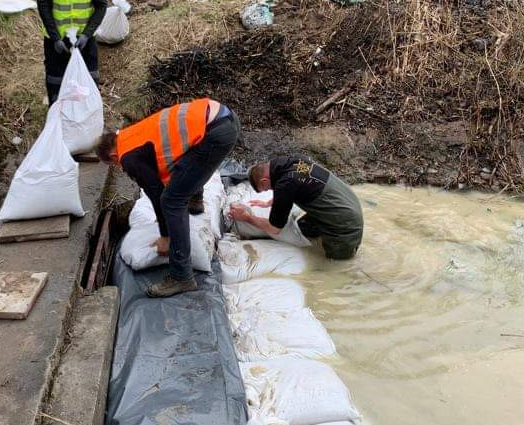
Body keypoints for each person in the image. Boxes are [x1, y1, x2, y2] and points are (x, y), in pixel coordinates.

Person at [97, 99, 239, 297]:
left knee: (172, 200)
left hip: (214, 133)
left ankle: (181, 276)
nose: (119, 167)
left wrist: (166, 236)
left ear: (112, 156)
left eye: (115, 165)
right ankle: (195, 200)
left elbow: (156, 193)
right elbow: (176, 158)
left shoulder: (128, 157)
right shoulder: (131, 135)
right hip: (223, 117)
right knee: (184, 173)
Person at [230, 156, 364, 260]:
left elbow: (274, 229)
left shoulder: (285, 185)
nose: (270, 190)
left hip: (345, 226)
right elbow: (298, 184)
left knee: (336, 266)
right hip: (347, 203)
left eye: (267, 189)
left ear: (264, 180)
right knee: (304, 229)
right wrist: (270, 203)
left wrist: (246, 217)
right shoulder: (291, 162)